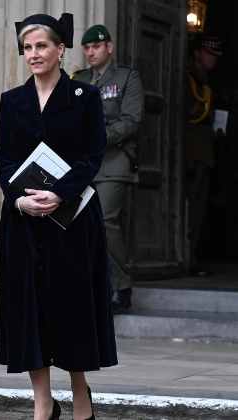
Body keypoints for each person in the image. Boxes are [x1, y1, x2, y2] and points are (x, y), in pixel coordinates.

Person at [0, 13, 117, 420]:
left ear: (60, 49)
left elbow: (92, 154)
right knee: (29, 310)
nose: (34, 54)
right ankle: (42, 402)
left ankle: (81, 394)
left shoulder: (84, 97)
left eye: (41, 46)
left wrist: (59, 193)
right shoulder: (12, 100)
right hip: (24, 222)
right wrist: (18, 200)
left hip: (73, 221)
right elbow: (4, 158)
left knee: (72, 308)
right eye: (27, 48)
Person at [73, 24, 143, 313]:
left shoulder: (127, 77)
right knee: (80, 225)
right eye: (87, 48)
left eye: (96, 47)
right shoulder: (79, 79)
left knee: (105, 221)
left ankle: (121, 286)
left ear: (109, 48)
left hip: (114, 161)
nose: (91, 52)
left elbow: (131, 120)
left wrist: (98, 136)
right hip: (82, 164)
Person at [185, 34, 223, 277]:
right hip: (188, 153)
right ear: (198, 53)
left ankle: (192, 258)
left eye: (216, 56)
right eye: (209, 54)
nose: (213, 60)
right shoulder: (187, 78)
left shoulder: (206, 81)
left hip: (202, 154)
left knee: (198, 210)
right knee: (189, 209)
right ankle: (186, 258)